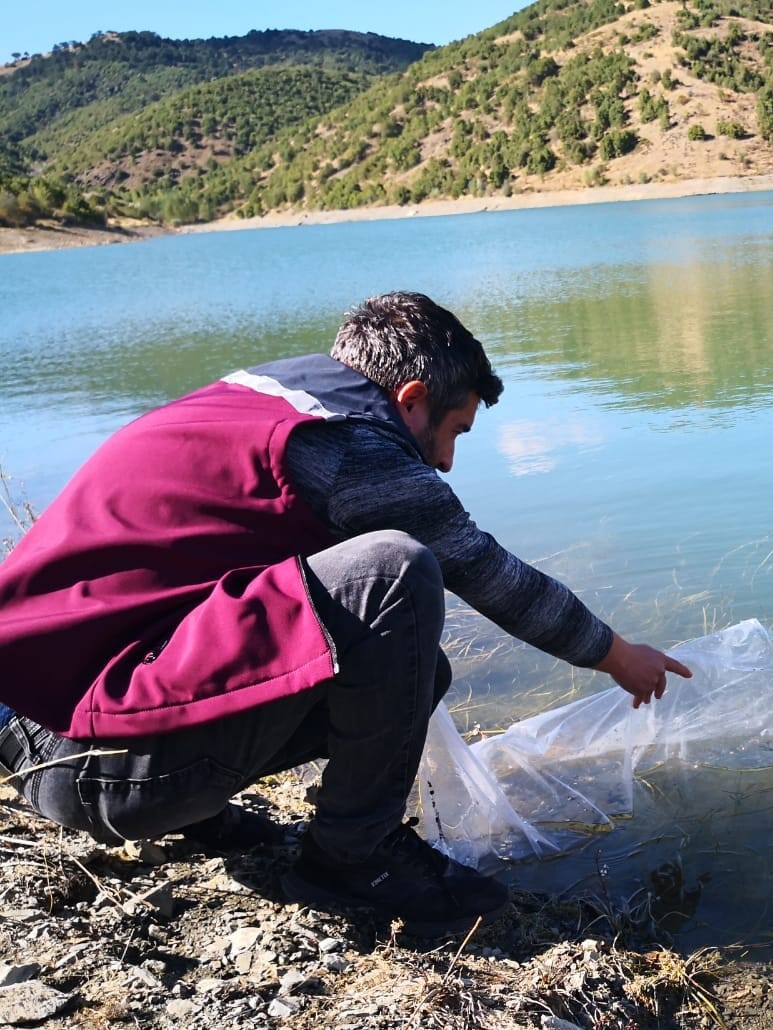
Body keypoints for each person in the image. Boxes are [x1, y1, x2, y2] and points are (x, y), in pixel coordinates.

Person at [0, 292, 690, 933]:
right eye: (453, 430)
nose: (447, 461)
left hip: (38, 731)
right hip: (90, 766)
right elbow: (487, 573)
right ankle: (353, 857)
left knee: (419, 664)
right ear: (411, 399)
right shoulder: (352, 447)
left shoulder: (264, 397)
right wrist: (616, 655)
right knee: (395, 574)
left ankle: (199, 814)